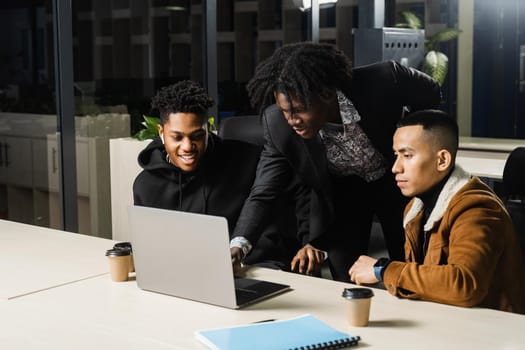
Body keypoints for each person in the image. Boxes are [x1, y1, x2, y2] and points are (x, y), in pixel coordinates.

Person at [230, 42, 441, 281]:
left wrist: (411, 136)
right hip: (344, 197)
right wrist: (239, 244)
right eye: (285, 111)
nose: (292, 120)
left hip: (397, 183)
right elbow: (263, 192)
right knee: (346, 278)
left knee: (411, 267)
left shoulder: (383, 79)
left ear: (327, 95)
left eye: (299, 110)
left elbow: (431, 91)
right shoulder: (278, 126)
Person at [349, 110, 525, 314]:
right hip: (444, 316)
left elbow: (464, 285)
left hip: (492, 331)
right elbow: (424, 280)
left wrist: (383, 270)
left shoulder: (477, 208)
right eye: (396, 155)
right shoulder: (415, 208)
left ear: (442, 160)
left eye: (407, 155)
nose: (396, 167)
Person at [133, 80, 300, 268]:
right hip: (182, 274)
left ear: (208, 130)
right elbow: (151, 248)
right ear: (161, 133)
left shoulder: (248, 161)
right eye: (177, 137)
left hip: (252, 269)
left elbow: (285, 215)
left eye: (197, 136)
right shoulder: (146, 185)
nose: (187, 147)